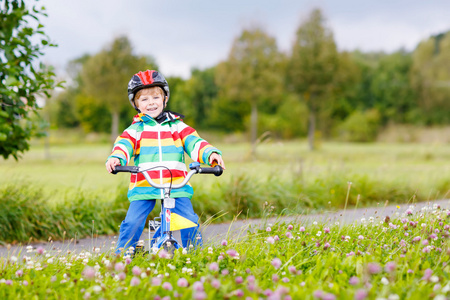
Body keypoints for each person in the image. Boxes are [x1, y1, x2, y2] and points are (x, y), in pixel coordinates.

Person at [105, 70, 225, 254]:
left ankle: (195, 255)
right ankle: (122, 256)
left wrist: (210, 155)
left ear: (165, 99)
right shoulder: (136, 129)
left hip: (176, 184)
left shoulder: (177, 126)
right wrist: (116, 157)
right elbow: (123, 145)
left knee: (189, 221)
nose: (151, 102)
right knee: (132, 222)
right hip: (145, 184)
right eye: (144, 99)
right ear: (136, 104)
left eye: (155, 97)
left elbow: (195, 142)